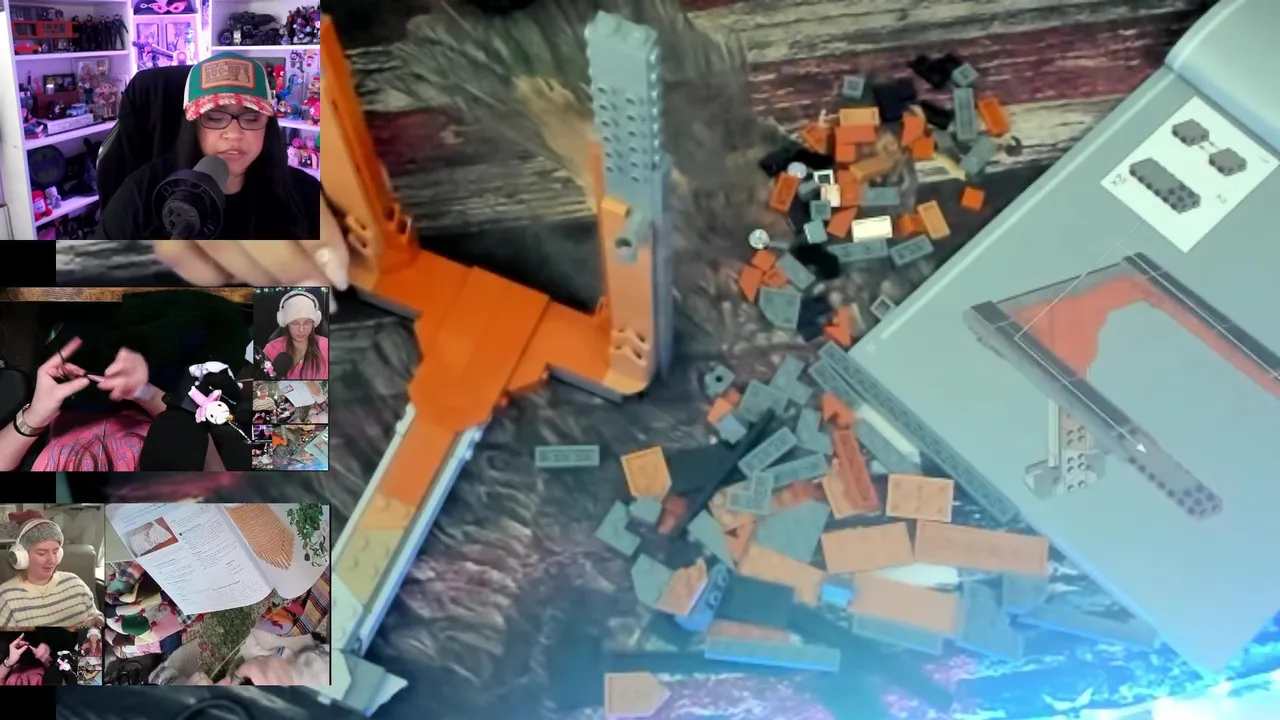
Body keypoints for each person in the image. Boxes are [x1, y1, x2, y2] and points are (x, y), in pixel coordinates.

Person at [94, 52, 320, 240]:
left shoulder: (306, 195)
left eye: (251, 118)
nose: (234, 134)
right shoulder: (139, 195)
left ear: (267, 126)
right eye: (215, 118)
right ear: (192, 125)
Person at [0, 337, 159, 472]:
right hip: (139, 402)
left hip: (65, 410)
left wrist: (35, 415)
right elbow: (174, 420)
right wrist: (144, 393)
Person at [0, 519, 104, 628]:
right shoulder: (6, 597)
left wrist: (96, 621)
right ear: (22, 556)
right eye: (42, 553)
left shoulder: (75, 583)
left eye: (55, 552)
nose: (52, 560)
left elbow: (95, 615)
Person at [261, 290, 329, 379]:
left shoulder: (326, 346)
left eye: (307, 323)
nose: (301, 330)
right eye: (294, 323)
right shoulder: (271, 348)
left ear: (315, 322)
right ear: (285, 322)